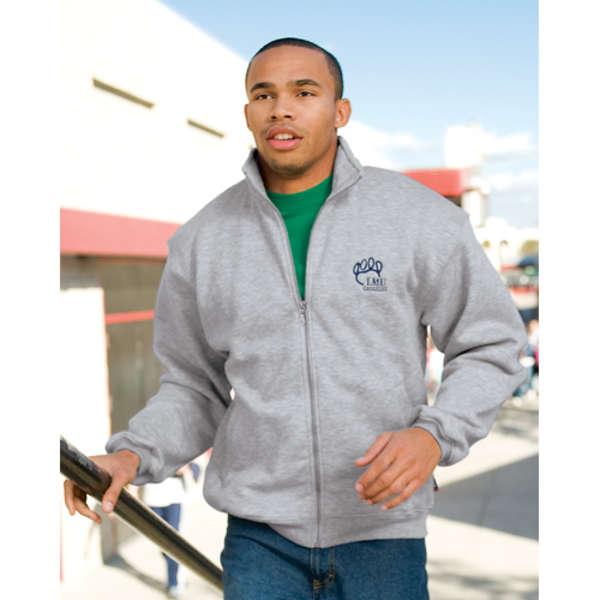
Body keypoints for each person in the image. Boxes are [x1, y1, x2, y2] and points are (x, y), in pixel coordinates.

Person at [64, 38, 528, 599]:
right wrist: (132, 453)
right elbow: (193, 386)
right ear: (248, 115)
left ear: (340, 111)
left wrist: (436, 434)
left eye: (304, 93)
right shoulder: (201, 242)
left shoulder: (417, 218)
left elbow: (491, 343)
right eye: (264, 95)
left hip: (384, 536)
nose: (281, 109)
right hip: (260, 543)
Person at [144, 463, 201, 598]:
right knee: (161, 542)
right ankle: (179, 568)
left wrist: (185, 467)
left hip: (174, 495)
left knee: (172, 541)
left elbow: (190, 459)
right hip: (153, 497)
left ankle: (173, 583)